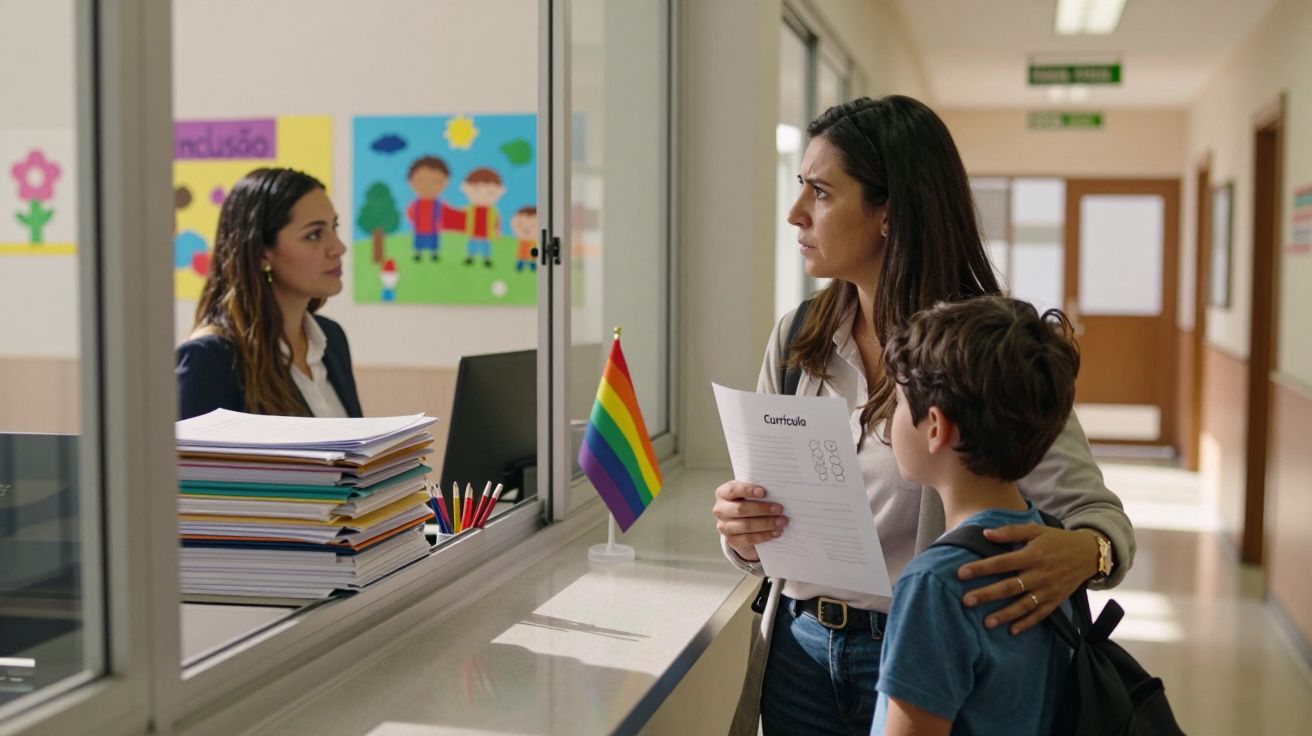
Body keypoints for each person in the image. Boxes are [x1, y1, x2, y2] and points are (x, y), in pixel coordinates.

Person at [711, 96, 1132, 735]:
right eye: (801, 187)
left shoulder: (981, 352)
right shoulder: (798, 339)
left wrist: (1088, 552)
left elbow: (1099, 519)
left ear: (889, 212)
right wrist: (742, 532)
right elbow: (761, 535)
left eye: (820, 192)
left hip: (929, 656)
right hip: (798, 654)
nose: (796, 212)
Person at [872, 296, 1079, 735]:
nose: (890, 420)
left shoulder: (935, 586)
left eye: (896, 404)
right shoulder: (1049, 554)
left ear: (934, 427)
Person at [176, 167, 362, 420]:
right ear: (262, 253)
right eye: (314, 234)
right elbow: (190, 460)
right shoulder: (210, 359)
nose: (338, 248)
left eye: (334, 227)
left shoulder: (331, 339)